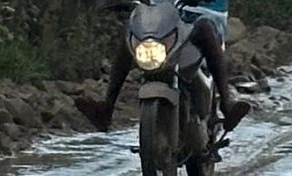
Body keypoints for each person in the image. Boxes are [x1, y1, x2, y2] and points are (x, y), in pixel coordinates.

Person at [78, 0, 251, 134]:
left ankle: (226, 104)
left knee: (205, 28)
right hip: (162, 16)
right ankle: (106, 109)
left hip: (205, 10)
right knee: (130, 35)